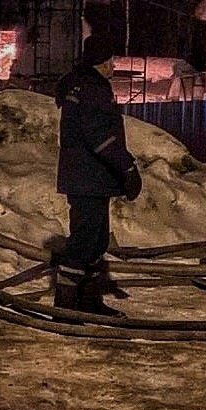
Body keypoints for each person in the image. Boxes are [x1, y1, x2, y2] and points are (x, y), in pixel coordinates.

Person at [53, 31, 142, 315]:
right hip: (88, 178)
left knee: (96, 239)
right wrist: (127, 167)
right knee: (84, 241)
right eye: (110, 59)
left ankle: (88, 301)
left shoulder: (79, 85)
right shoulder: (92, 88)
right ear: (100, 61)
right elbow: (100, 137)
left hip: (89, 179)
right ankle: (66, 307)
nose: (114, 64)